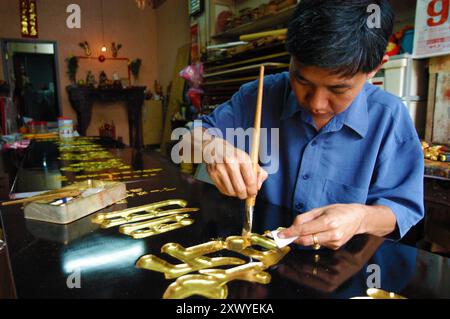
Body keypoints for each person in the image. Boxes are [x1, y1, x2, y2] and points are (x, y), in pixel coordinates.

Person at [188, 0, 424, 250]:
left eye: (338, 88)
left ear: (374, 70)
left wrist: (361, 218)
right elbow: (188, 138)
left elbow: (402, 208)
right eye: (302, 80)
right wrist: (213, 148)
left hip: (338, 269)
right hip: (262, 258)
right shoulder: (259, 95)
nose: (317, 103)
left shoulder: (389, 116)